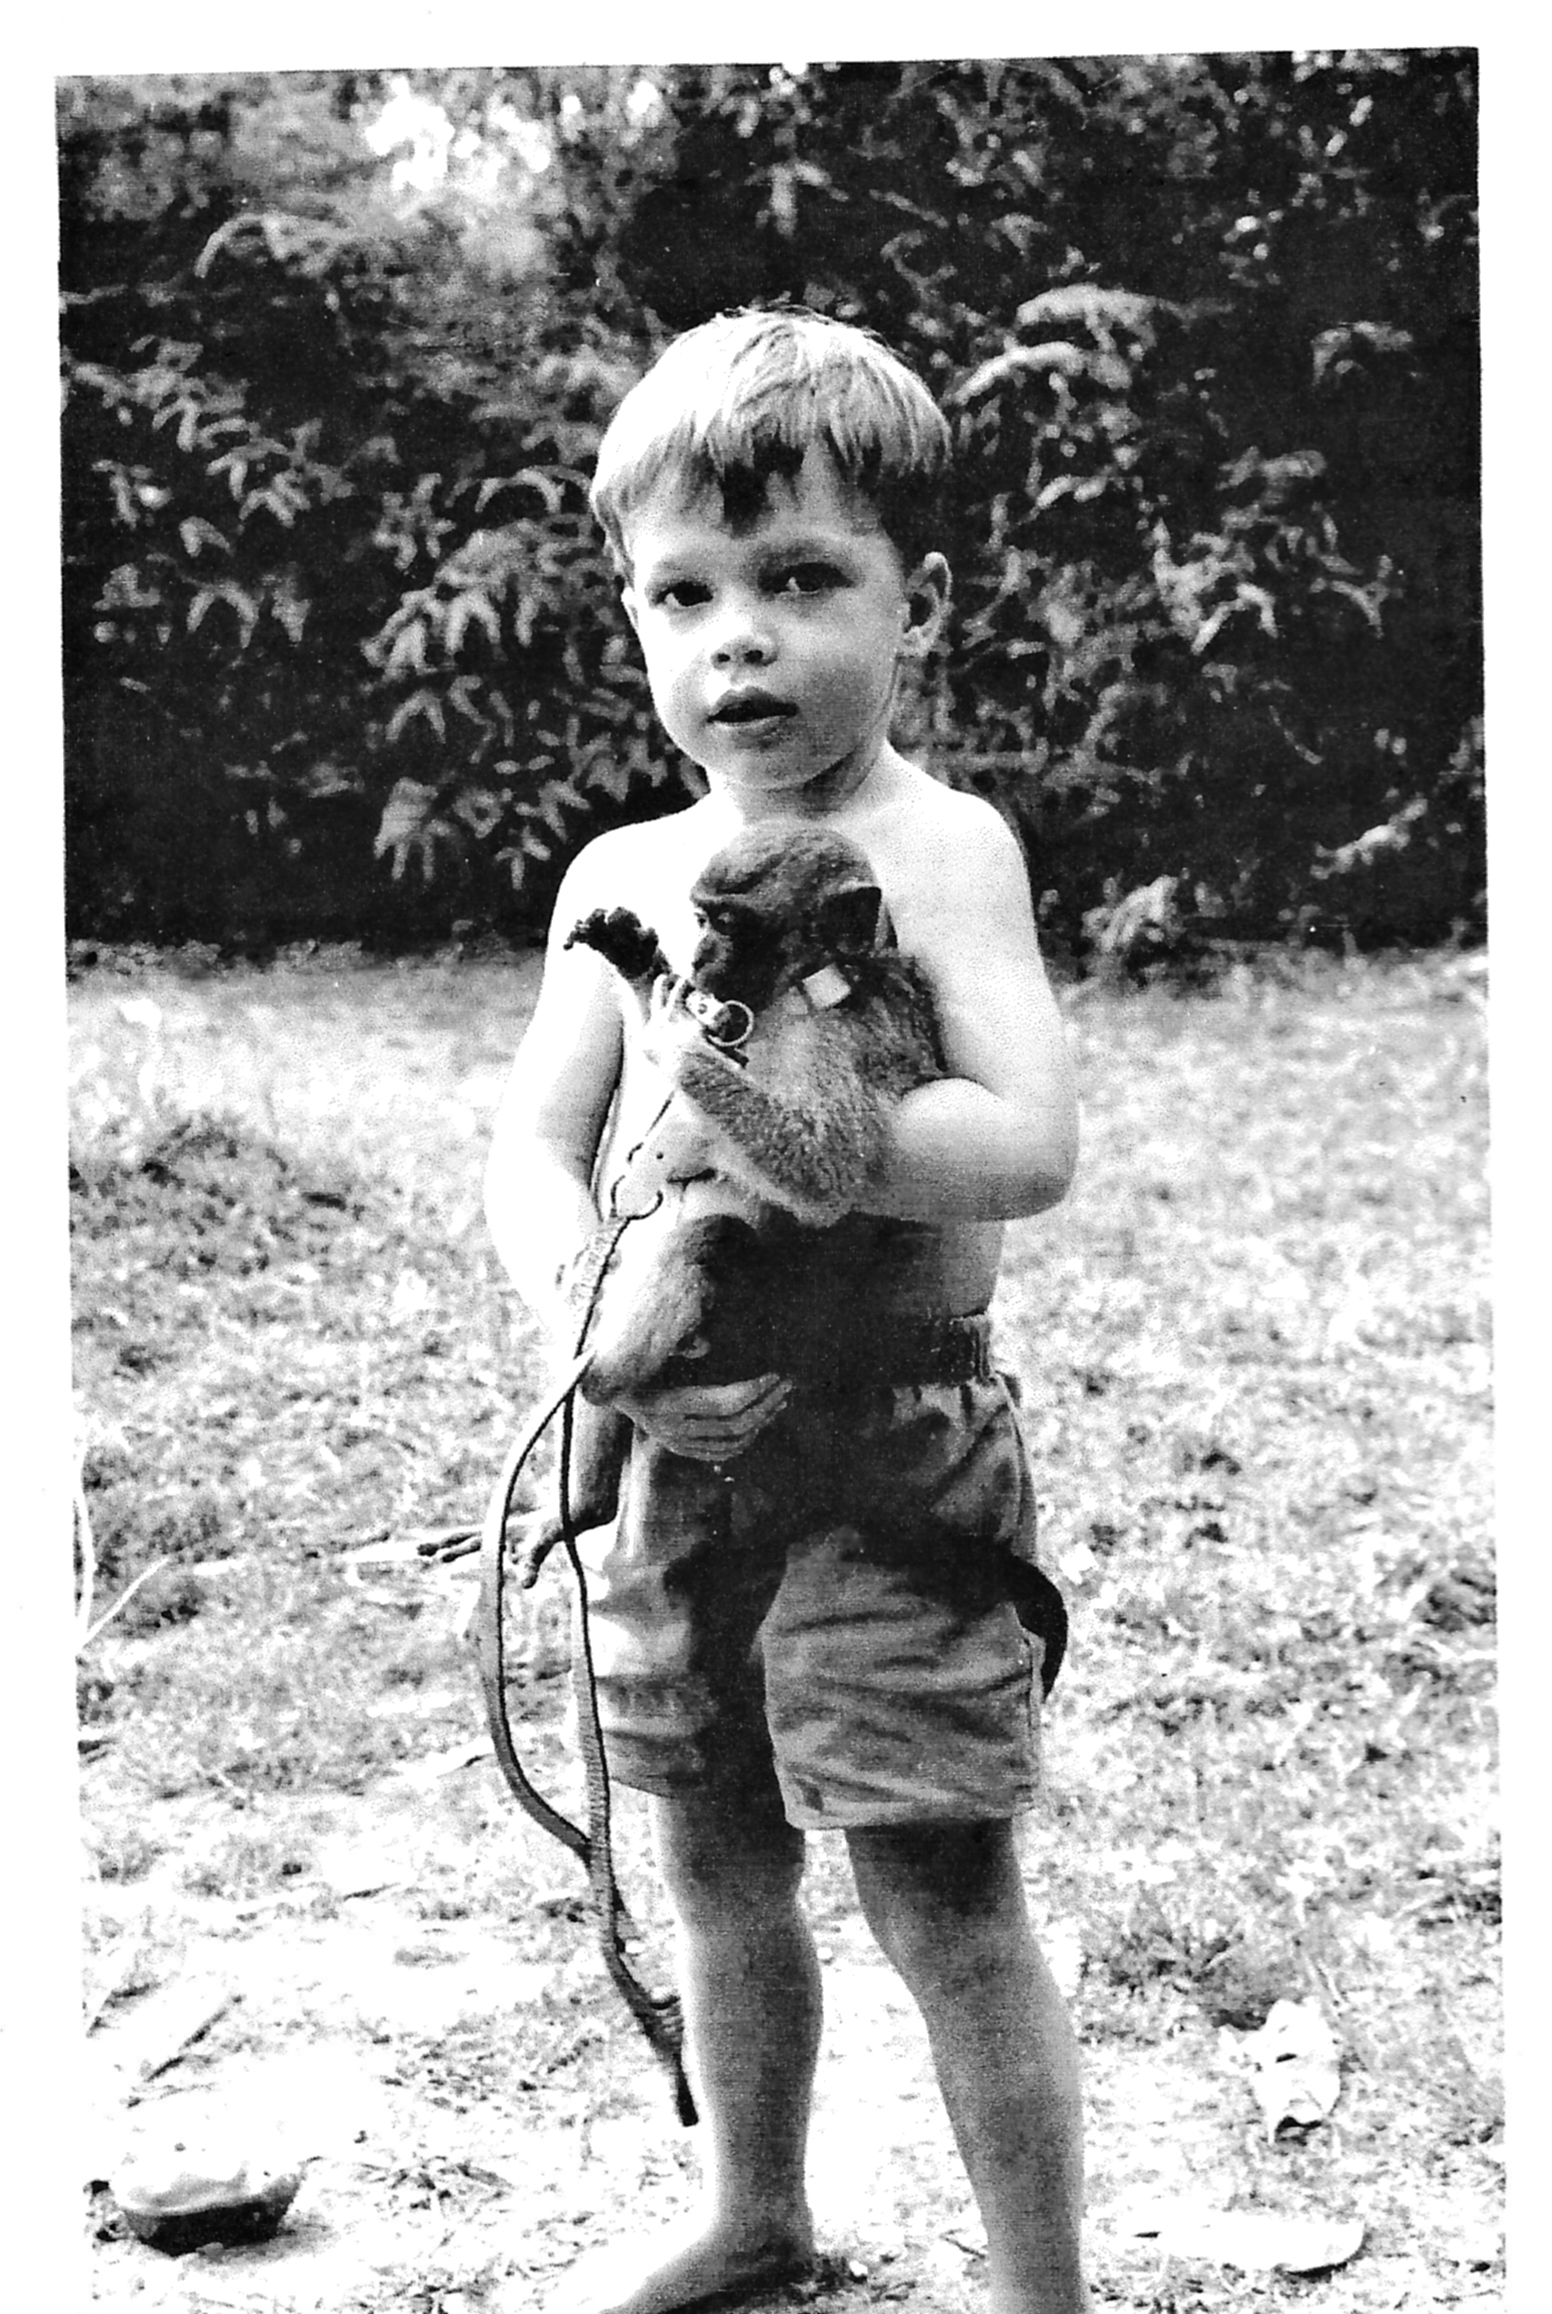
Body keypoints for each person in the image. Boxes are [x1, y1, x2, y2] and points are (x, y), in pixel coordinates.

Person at [484, 308, 1085, 2314]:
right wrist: (580, 1281)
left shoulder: (940, 852)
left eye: (801, 578)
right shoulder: (627, 873)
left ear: (921, 598)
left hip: (884, 1452)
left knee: (936, 1879)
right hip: (674, 1462)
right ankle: (753, 2208)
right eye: (682, 591)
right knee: (717, 1865)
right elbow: (530, 1142)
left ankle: (1038, 2290)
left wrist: (790, 1130)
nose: (733, 637)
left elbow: (1022, 1144)